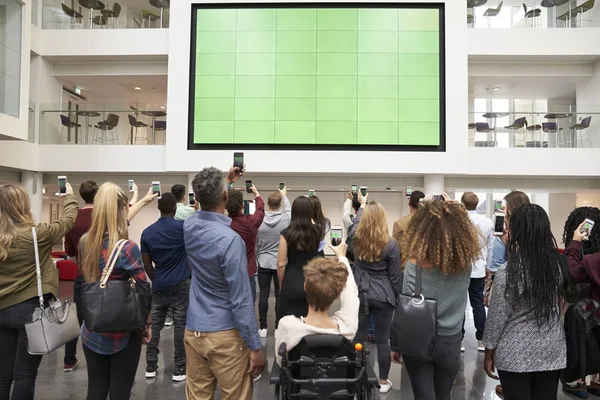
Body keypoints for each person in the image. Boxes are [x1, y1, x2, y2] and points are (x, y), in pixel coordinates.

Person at [184, 167, 264, 400]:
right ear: (225, 198)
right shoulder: (231, 241)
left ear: (196, 199)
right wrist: (255, 346)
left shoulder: (189, 227)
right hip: (225, 337)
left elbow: (207, 204)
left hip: (194, 331)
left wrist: (225, 182)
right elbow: (240, 300)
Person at [391, 200, 481, 400]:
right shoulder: (465, 265)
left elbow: (406, 304)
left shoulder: (415, 264)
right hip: (450, 341)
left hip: (418, 339)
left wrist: (397, 345)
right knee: (444, 396)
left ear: (422, 230)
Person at [483, 204, 572, 400]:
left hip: (515, 352)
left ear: (517, 231)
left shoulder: (509, 271)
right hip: (551, 348)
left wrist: (488, 351)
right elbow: (563, 305)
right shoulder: (558, 268)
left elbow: (497, 317)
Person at [0, 183, 78, 400]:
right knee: (25, 375)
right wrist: (69, 197)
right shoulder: (37, 235)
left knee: (2, 376)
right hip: (31, 313)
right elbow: (67, 221)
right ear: (23, 205)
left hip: (1, 312)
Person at [79, 182, 152, 400]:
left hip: (91, 330)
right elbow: (142, 291)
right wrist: (146, 324)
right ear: (120, 210)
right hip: (122, 333)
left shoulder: (85, 243)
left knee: (96, 388)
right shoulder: (127, 248)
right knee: (120, 390)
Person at [275, 242, 359, 365]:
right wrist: (342, 257)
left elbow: (280, 362)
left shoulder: (288, 326)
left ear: (305, 286)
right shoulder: (347, 328)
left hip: (299, 384)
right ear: (337, 295)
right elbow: (351, 292)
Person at [350, 200, 402, 394]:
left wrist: (361, 207)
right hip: (384, 295)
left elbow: (354, 225)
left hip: (362, 293)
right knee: (383, 340)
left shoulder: (356, 239)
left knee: (359, 338)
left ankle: (357, 378)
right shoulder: (391, 244)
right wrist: (399, 299)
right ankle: (382, 381)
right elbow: (395, 278)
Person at [141, 193, 191, 382]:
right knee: (180, 327)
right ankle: (179, 369)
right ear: (175, 208)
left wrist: (157, 278)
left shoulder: (147, 232)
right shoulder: (183, 228)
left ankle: (151, 366)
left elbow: (146, 264)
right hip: (180, 285)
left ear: (159, 208)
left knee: (155, 326)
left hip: (159, 285)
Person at [562, 206, 600, 397]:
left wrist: (576, 243)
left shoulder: (592, 261)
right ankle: (595, 378)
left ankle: (575, 379)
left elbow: (573, 273)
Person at [63, 180, 98, 372]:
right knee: (101, 315)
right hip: (101, 274)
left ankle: (69, 360)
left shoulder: (73, 217)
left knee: (77, 318)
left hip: (81, 275)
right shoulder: (102, 217)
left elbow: (70, 251)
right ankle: (99, 357)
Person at [276, 196, 323, 326]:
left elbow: (280, 264)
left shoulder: (286, 234)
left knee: (290, 325)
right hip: (311, 280)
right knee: (310, 324)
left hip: (291, 280)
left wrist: (282, 283)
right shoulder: (317, 231)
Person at [460, 192, 494, 352]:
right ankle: (481, 340)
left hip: (459, 269)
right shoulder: (487, 222)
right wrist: (488, 265)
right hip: (479, 269)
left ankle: (458, 339)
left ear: (462, 203)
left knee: (458, 304)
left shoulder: (459, 221)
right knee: (478, 304)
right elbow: (490, 246)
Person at [256, 186, 291, 338]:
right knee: (279, 295)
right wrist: (284, 196)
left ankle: (263, 328)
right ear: (280, 204)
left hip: (263, 261)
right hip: (280, 262)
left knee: (263, 295)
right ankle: (277, 328)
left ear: (268, 204)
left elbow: (256, 242)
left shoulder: (260, 219)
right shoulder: (285, 219)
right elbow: (288, 209)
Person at [226, 183, 265, 304]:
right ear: (242, 205)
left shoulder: (222, 224)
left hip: (228, 275)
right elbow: (260, 210)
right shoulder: (250, 223)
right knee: (247, 312)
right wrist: (256, 194)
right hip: (247, 274)